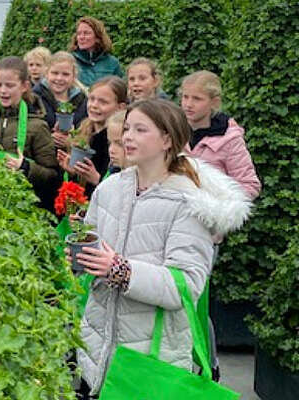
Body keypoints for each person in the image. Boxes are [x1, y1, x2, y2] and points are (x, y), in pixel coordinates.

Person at [71, 99, 252, 398]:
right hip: (98, 353)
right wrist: (82, 259)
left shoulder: (188, 203)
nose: (128, 136)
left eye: (140, 130)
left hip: (151, 358)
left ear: (168, 139)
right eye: (127, 128)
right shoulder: (109, 189)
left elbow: (186, 285)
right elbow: (94, 245)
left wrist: (119, 269)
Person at [0, 56, 60, 210]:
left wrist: (25, 167)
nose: (3, 91)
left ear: (24, 86)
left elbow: (53, 176)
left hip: (23, 207)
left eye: (10, 85)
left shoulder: (37, 125)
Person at [180, 70, 261, 200]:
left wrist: (219, 206)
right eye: (185, 97)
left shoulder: (230, 139)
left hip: (211, 215)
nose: (188, 104)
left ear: (214, 102)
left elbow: (249, 185)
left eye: (197, 99)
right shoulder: (171, 131)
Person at [56, 76, 127, 194]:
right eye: (91, 99)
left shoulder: (120, 141)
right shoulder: (82, 129)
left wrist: (96, 179)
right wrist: (72, 172)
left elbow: (121, 192)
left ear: (120, 107)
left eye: (103, 102)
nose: (94, 105)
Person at [33, 51, 88, 131]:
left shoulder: (83, 100)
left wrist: (73, 138)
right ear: (47, 74)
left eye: (65, 74)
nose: (59, 78)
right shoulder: (35, 98)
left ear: (74, 76)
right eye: (55, 73)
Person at [68, 16, 124, 87]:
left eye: (86, 33)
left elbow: (120, 90)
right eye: (79, 34)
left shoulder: (112, 64)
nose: (81, 37)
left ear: (97, 37)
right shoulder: (70, 61)